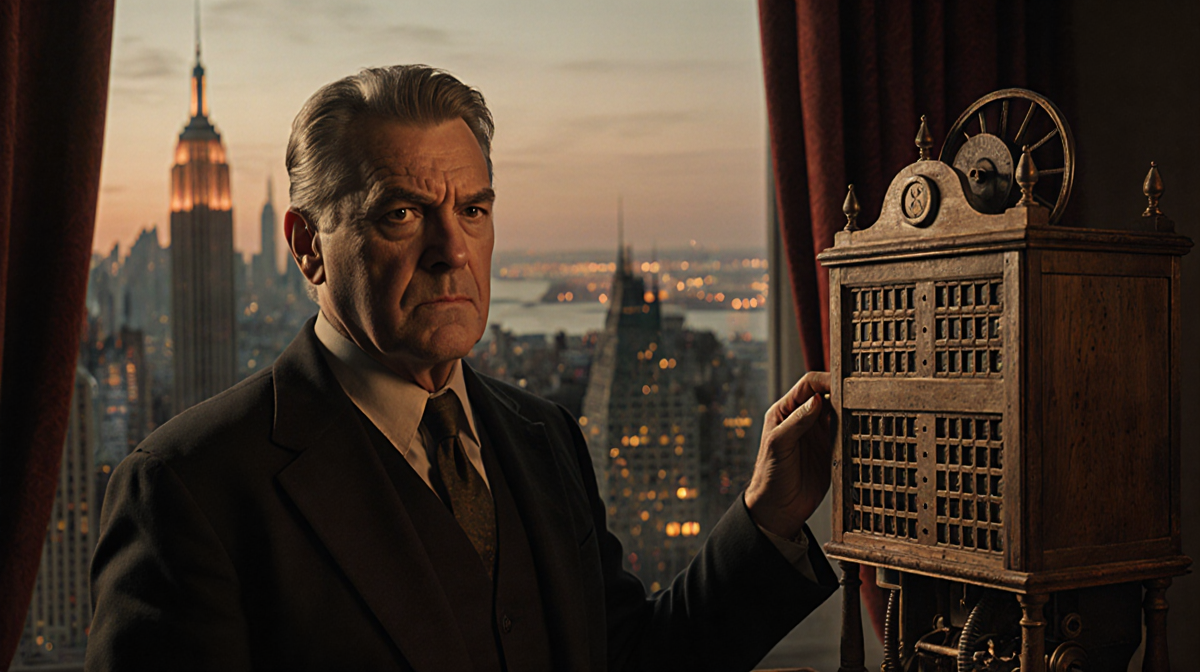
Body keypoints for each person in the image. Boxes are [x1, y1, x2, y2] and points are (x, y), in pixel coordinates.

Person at [86, 65, 838, 672]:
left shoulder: (544, 436)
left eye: (473, 210)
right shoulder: (189, 488)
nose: (452, 251)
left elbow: (630, 659)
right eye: (402, 213)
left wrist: (766, 518)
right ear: (308, 246)